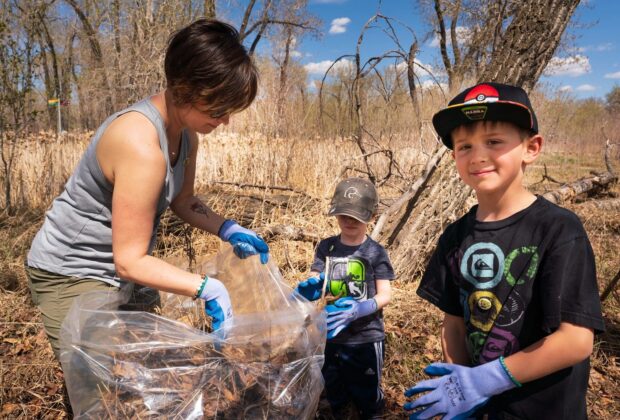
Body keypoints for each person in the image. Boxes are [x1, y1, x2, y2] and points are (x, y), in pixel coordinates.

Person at [25, 19, 269, 359]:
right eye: (219, 108)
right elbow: (130, 261)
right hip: (71, 270)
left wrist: (227, 228)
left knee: (145, 362)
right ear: (186, 89)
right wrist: (207, 288)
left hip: (120, 264)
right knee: (96, 380)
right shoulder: (140, 145)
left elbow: (183, 200)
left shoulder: (187, 136)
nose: (225, 120)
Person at [403, 82, 605, 419]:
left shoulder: (559, 230)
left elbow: (575, 340)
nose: (478, 156)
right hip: (483, 408)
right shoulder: (455, 236)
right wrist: (461, 384)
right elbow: (453, 325)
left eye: (494, 142)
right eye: (464, 146)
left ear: (531, 147)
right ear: (454, 156)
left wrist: (488, 379)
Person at [295, 177, 395, 419]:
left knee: (367, 392)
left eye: (357, 216)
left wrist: (362, 308)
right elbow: (316, 279)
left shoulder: (375, 252)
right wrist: (308, 290)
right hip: (331, 334)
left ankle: (371, 412)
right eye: (344, 215)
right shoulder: (326, 247)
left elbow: (386, 294)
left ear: (371, 216)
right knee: (334, 386)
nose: (349, 221)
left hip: (365, 336)